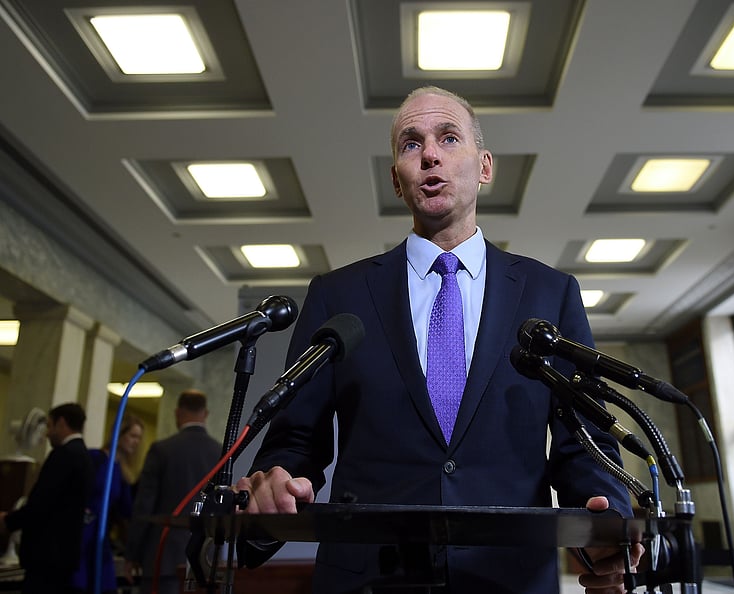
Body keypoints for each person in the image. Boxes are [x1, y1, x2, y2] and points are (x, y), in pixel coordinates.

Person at [236, 86, 644, 594]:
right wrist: (275, 481)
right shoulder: (337, 295)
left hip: (509, 578)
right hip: (366, 579)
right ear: (397, 181)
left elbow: (586, 442)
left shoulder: (551, 294)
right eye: (411, 144)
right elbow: (296, 440)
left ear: (485, 166)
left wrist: (606, 526)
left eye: (449, 138)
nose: (430, 154)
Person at [125, 390, 221, 594]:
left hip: (164, 557)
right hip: (206, 562)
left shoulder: (162, 450)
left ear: (177, 413)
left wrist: (132, 553)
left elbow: (145, 505)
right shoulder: (220, 453)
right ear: (206, 414)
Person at [0, 402, 93, 594]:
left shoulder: (63, 455)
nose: (47, 433)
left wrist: (8, 521)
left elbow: (42, 504)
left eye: (50, 426)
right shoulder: (84, 456)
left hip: (47, 556)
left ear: (62, 423)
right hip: (64, 556)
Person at [73, 414, 144, 594]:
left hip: (100, 537)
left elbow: (127, 511)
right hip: (81, 533)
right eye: (132, 436)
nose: (136, 442)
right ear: (119, 434)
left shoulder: (124, 473)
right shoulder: (96, 458)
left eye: (139, 438)